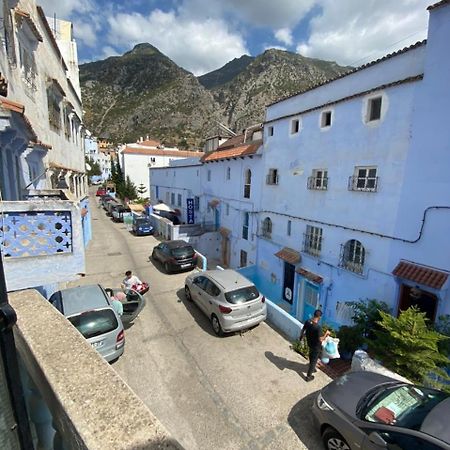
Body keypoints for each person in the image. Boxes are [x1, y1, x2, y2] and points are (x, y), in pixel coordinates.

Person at [299, 309, 330, 382]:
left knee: (311, 355)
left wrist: (301, 336)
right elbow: (321, 339)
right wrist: (326, 334)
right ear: (319, 317)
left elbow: (303, 329)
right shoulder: (318, 327)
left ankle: (310, 364)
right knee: (314, 362)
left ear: (314, 315)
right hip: (316, 347)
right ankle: (308, 377)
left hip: (310, 343)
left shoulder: (308, 321)